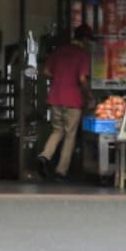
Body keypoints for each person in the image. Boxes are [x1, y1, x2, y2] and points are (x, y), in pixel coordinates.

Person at [37, 24, 92, 181]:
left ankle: (45, 156)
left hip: (55, 97)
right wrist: (89, 95)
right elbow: (82, 78)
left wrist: (58, 79)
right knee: (69, 136)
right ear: (85, 39)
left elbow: (46, 71)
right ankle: (61, 171)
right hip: (73, 100)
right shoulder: (82, 55)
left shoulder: (59, 51)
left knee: (57, 131)